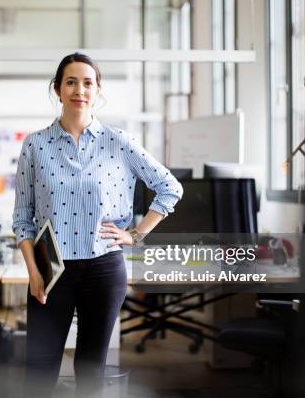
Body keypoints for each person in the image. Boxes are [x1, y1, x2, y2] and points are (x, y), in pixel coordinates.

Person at [12, 53, 183, 397]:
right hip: (51, 269)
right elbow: (22, 218)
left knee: (91, 369)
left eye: (87, 82)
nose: (79, 90)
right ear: (58, 89)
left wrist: (135, 235)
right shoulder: (35, 145)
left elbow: (170, 188)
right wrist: (33, 271)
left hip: (103, 267)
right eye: (71, 82)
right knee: (40, 369)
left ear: (98, 89)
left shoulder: (119, 141)